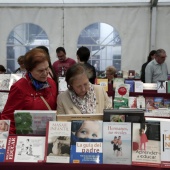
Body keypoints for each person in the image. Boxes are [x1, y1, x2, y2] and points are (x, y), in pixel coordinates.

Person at [0, 48, 57, 134]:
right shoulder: (19, 87)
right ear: (29, 70)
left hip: (50, 135)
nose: (45, 73)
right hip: (27, 137)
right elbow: (8, 118)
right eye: (40, 71)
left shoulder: (51, 83)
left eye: (47, 68)